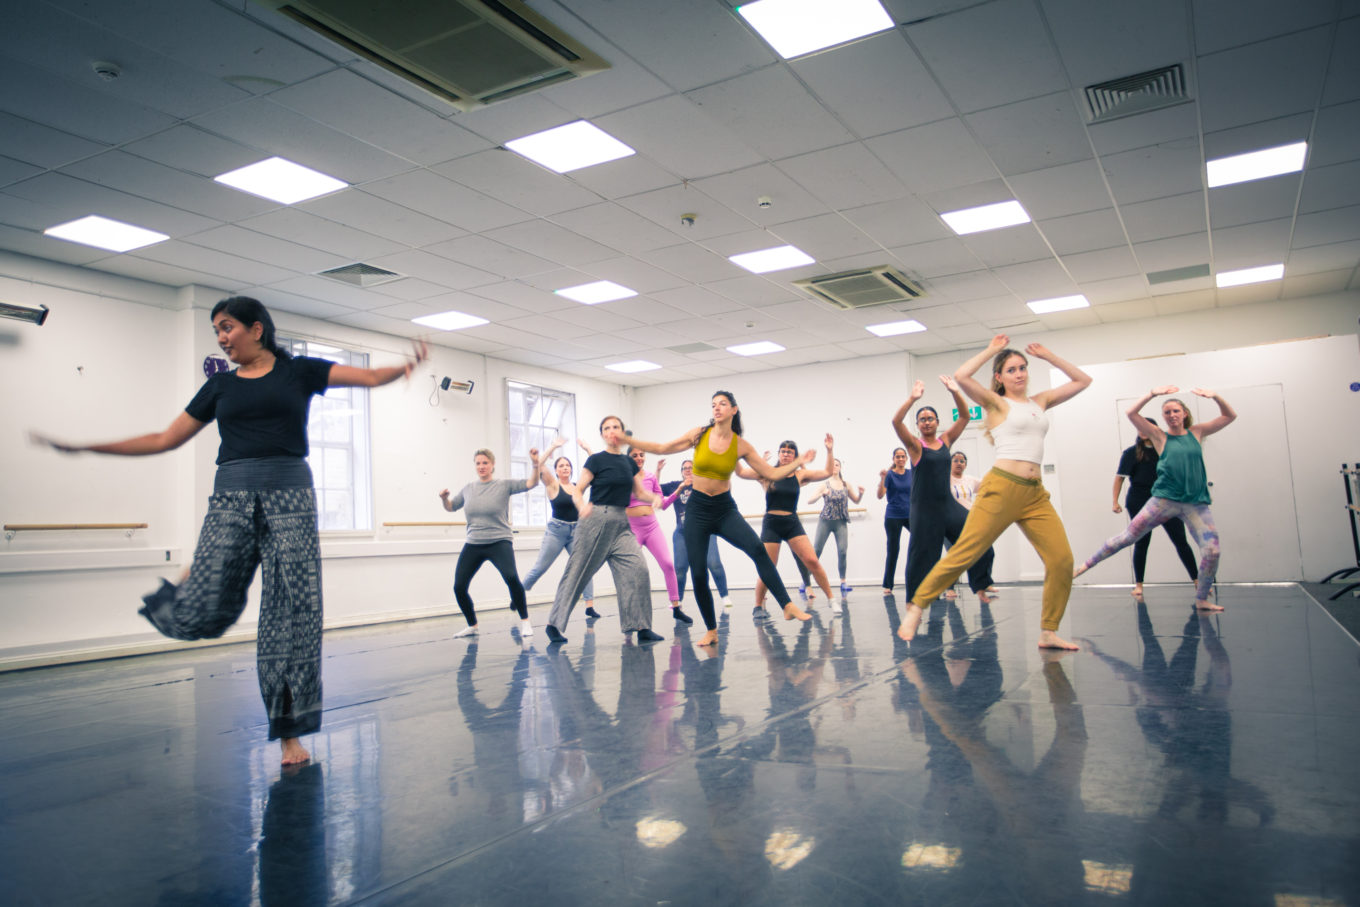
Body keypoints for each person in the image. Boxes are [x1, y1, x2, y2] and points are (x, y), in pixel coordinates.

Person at [31, 296, 426, 766]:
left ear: (256, 329)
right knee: (207, 605)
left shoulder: (298, 372)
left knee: (292, 615)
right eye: (216, 330)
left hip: (290, 498)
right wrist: (90, 447)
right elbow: (164, 438)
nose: (221, 337)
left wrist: (404, 367)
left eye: (227, 327)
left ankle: (290, 737)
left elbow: (363, 378)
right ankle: (192, 575)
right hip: (233, 496)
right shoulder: (219, 386)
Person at [898, 335, 1092, 649]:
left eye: (1023, 368)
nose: (1020, 373)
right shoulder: (996, 403)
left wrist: (1048, 356)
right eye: (1012, 369)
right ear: (999, 377)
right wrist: (992, 350)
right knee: (965, 552)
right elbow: (962, 377)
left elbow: (1083, 380)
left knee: (1062, 560)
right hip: (1001, 487)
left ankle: (1048, 631)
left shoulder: (1039, 402)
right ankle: (917, 606)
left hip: (1034, 494)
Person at [620, 390, 816, 648]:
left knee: (757, 549)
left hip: (724, 509)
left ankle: (787, 605)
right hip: (698, 510)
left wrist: (799, 462)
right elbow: (662, 447)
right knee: (699, 572)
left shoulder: (740, 445)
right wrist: (626, 439)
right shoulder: (699, 434)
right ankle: (711, 630)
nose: (717, 408)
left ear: (734, 410)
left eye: (722, 404)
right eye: (713, 404)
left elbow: (769, 472)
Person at [1075, 388, 1236, 611]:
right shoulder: (1160, 436)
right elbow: (1131, 413)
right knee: (1129, 537)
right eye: (1167, 412)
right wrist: (1151, 394)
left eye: (1175, 411)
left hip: (1195, 503)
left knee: (1212, 551)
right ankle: (1083, 566)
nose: (1172, 415)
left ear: (1184, 413)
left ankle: (1201, 599)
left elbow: (1229, 416)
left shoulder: (1197, 432)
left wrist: (1215, 397)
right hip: (1164, 500)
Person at [544, 415, 664, 644]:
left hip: (621, 523)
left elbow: (639, 493)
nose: (611, 431)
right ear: (602, 434)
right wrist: (581, 506)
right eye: (607, 428)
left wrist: (655, 498)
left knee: (638, 569)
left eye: (616, 427)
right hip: (595, 519)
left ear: (622, 432)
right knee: (577, 572)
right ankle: (554, 624)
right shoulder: (596, 461)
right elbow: (578, 490)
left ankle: (641, 626)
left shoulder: (629, 463)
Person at [892, 375, 996, 607]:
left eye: (930, 419)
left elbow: (966, 416)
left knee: (979, 536)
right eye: (922, 420)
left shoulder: (946, 440)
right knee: (922, 557)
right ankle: (914, 602)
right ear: (918, 425)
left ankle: (980, 583)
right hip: (923, 509)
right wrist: (912, 398)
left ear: (937, 422)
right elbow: (896, 422)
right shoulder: (915, 446)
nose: (927, 422)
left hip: (947, 505)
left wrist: (954, 391)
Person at [439, 447, 540, 640]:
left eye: (485, 462)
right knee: (459, 586)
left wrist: (535, 464)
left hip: (499, 541)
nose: (481, 466)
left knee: (511, 577)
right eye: (478, 463)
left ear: (492, 465)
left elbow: (531, 483)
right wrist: (444, 499)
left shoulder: (503, 485)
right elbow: (451, 507)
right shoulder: (469, 489)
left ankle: (525, 621)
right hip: (474, 543)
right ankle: (472, 625)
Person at [736, 436, 837, 613]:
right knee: (768, 566)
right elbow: (742, 472)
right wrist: (736, 454)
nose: (786, 455)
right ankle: (758, 605)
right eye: (783, 451)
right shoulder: (767, 472)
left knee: (812, 560)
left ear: (795, 456)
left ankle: (831, 599)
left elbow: (827, 472)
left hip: (791, 522)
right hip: (772, 523)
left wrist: (829, 450)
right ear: (779, 454)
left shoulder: (800, 475)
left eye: (790, 452)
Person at [1108, 418, 1200, 600]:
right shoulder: (1131, 453)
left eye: (1146, 427)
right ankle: (1139, 585)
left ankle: (1198, 581)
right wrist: (1115, 502)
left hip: (1166, 501)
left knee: (1180, 540)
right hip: (1139, 501)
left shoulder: (1166, 450)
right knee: (1141, 542)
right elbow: (1119, 478)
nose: (1142, 430)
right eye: (1139, 427)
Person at [521, 437, 599, 618]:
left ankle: (589, 605)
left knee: (585, 566)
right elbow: (538, 465)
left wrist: (588, 448)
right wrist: (552, 447)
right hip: (556, 531)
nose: (565, 468)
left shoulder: (578, 486)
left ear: (571, 469)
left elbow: (597, 468)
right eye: (561, 466)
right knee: (540, 567)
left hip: (576, 531)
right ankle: (518, 594)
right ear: (556, 470)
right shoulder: (553, 484)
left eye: (567, 465)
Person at [625, 447, 693, 626]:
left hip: (652, 526)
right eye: (635, 455)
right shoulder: (624, 478)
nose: (639, 458)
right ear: (628, 458)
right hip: (633, 528)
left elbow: (662, 504)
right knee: (633, 571)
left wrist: (678, 490)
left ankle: (676, 607)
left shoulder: (650, 477)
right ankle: (632, 613)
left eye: (641, 455)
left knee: (669, 565)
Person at [657, 459, 733, 609]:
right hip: (682, 532)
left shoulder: (703, 485)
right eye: (684, 468)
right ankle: (678, 601)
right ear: (681, 472)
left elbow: (723, 490)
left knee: (714, 563)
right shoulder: (675, 486)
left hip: (705, 530)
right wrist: (658, 471)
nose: (688, 470)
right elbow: (655, 489)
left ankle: (725, 596)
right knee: (680, 568)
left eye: (690, 468)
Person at [805, 458, 865, 596]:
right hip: (825, 521)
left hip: (841, 522)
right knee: (817, 551)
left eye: (837, 465)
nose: (834, 467)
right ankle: (806, 581)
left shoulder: (846, 484)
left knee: (843, 551)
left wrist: (861, 493)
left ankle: (843, 582)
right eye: (832, 465)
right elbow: (809, 501)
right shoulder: (824, 484)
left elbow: (856, 501)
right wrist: (822, 494)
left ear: (840, 467)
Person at [878, 447, 912, 593]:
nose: (900, 459)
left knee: (921, 545)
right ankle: (888, 584)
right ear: (894, 459)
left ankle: (918, 580)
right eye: (897, 457)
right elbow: (880, 495)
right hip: (893, 516)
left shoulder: (911, 474)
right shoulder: (890, 475)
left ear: (906, 459)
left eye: (903, 456)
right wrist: (882, 479)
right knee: (893, 550)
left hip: (910, 514)